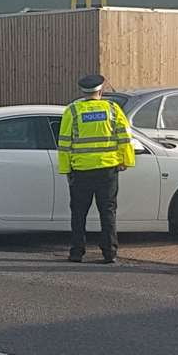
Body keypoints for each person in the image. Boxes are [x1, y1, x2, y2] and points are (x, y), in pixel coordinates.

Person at [56, 73, 135, 264]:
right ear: (101, 91)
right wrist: (126, 161)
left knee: (78, 213)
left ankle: (77, 252)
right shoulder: (113, 109)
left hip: (81, 171)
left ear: (83, 91)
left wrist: (66, 169)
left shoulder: (73, 111)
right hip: (107, 170)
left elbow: (65, 143)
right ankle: (109, 253)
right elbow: (124, 137)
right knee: (107, 212)